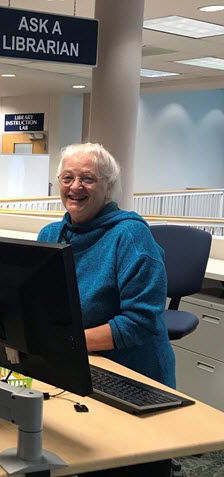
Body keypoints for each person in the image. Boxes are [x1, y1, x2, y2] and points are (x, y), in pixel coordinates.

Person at [37, 143, 176, 387]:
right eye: (67, 177)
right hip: (74, 362)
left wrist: (67, 340)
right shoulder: (50, 235)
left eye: (88, 179)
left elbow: (140, 323)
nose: (75, 186)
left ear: (108, 186)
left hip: (131, 375)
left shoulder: (131, 237)